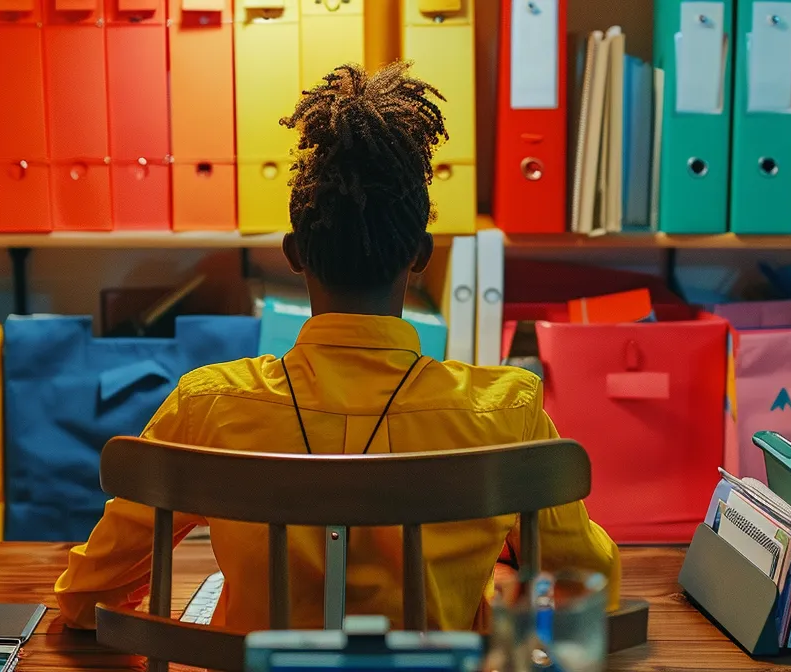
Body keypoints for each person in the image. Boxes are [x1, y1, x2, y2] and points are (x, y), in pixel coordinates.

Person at [53, 61, 619, 633]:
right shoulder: (505, 413)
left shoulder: (211, 405)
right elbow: (591, 588)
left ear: (295, 252)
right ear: (420, 256)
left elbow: (86, 598)